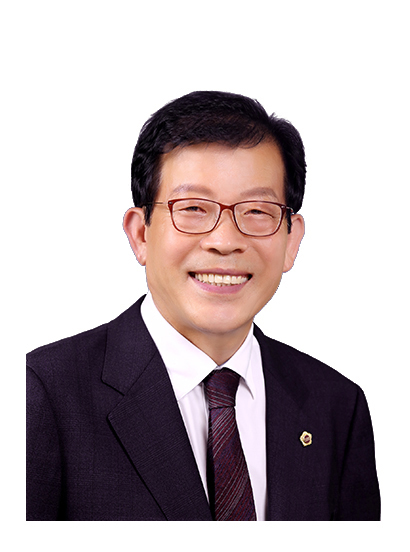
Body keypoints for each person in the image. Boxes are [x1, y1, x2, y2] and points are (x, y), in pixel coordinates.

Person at [26, 91, 380, 521]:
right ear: (140, 234)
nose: (225, 241)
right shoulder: (41, 392)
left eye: (257, 211)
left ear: (292, 241)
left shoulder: (336, 406)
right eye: (193, 208)